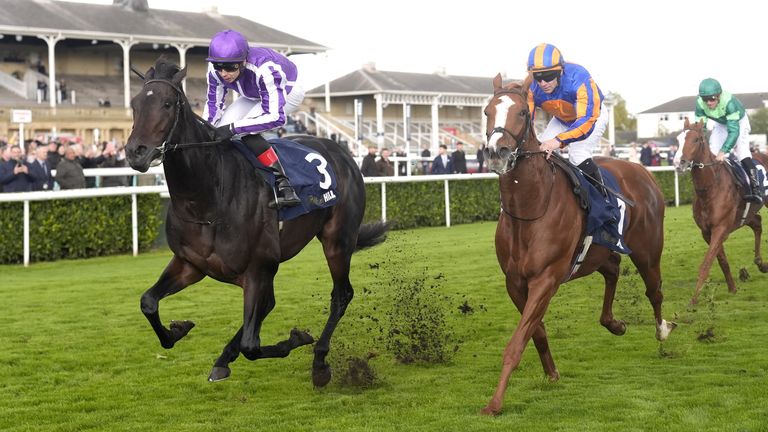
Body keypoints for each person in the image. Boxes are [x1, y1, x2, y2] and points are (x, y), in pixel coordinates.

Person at [203, 29, 304, 209]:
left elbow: (275, 117)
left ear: (243, 61)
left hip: (287, 91)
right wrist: (206, 131)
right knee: (217, 131)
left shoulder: (264, 68)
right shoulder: (214, 70)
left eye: (231, 67)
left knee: (244, 132)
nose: (224, 73)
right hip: (252, 94)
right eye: (219, 66)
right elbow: (213, 106)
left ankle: (285, 186)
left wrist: (234, 129)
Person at [526, 43, 608, 196]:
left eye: (549, 76)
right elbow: (526, 122)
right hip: (562, 120)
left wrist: (558, 141)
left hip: (592, 116)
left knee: (577, 154)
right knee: (538, 153)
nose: (543, 83)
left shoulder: (579, 77)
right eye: (538, 77)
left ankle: (604, 200)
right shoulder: (532, 87)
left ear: (560, 72)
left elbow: (586, 120)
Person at [690, 78, 761, 203]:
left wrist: (724, 151)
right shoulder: (700, 103)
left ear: (718, 95)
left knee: (742, 153)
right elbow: (701, 128)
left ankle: (756, 190)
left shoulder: (729, 103)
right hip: (720, 124)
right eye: (705, 99)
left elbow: (734, 132)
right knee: (712, 154)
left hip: (738, 122)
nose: (709, 103)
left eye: (712, 99)